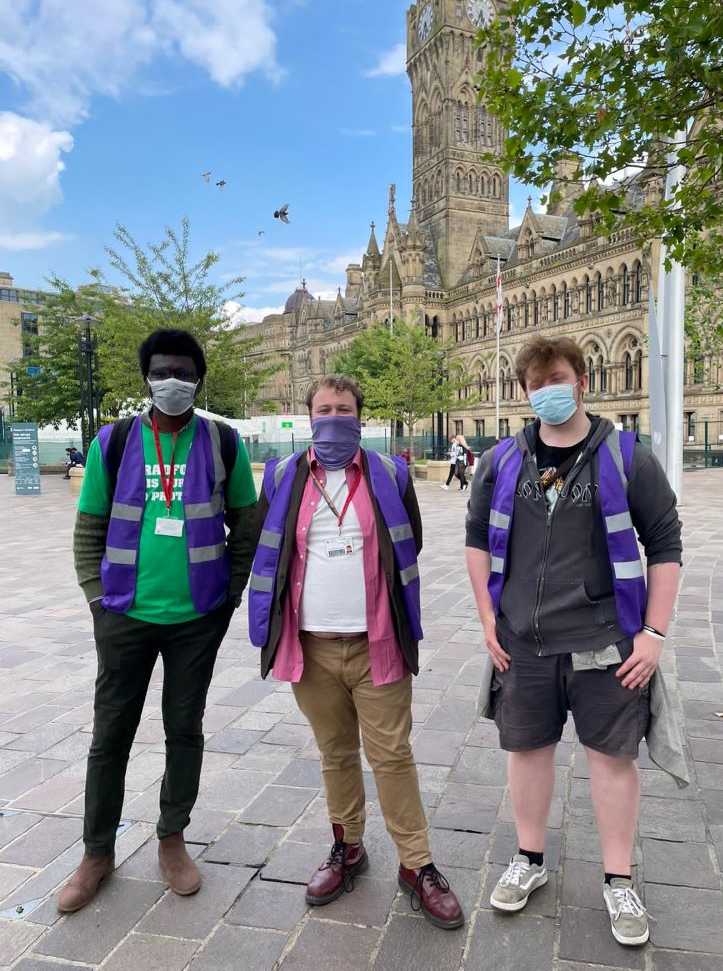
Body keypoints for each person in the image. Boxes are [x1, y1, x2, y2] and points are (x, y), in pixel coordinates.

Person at [465, 335, 682, 947]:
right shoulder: (501, 460)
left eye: (556, 377)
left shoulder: (626, 456)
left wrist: (654, 633)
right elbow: (477, 538)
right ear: (523, 391)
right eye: (534, 383)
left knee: (612, 759)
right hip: (522, 642)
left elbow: (665, 543)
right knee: (527, 751)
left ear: (581, 379)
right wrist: (486, 617)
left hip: (604, 642)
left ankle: (617, 879)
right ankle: (529, 861)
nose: (546, 391)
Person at [248, 374, 464, 930]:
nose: (334, 418)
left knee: (392, 753)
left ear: (359, 418)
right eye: (325, 409)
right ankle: (348, 848)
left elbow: (409, 541)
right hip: (311, 645)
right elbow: (265, 550)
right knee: (335, 753)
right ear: (310, 417)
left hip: (378, 642)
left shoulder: (390, 473)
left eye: (344, 409)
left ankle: (417, 865)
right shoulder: (282, 476)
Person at [57, 328, 256, 913]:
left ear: (199, 380)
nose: (175, 382)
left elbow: (246, 527)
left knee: (183, 729)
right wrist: (97, 600)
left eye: (186, 373)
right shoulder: (113, 443)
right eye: (164, 371)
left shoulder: (223, 442)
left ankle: (172, 838)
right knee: (109, 735)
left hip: (197, 617)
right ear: (146, 377)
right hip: (123, 615)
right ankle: (97, 852)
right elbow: (88, 528)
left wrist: (229, 598)